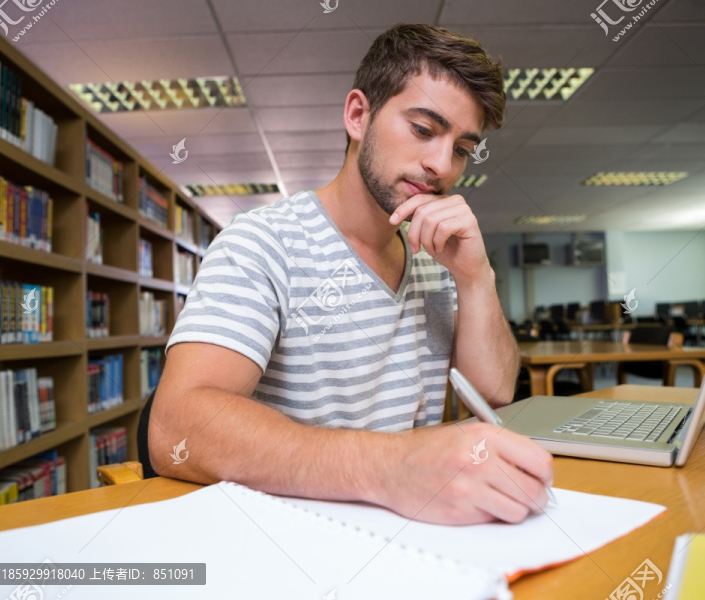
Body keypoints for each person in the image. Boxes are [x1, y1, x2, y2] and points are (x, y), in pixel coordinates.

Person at [144, 23, 553, 525]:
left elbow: (492, 395)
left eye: (462, 149)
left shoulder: (436, 259)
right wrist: (392, 466)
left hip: (413, 528)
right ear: (359, 115)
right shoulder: (262, 243)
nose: (441, 166)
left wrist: (476, 277)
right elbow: (176, 430)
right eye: (424, 130)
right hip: (293, 537)